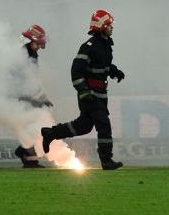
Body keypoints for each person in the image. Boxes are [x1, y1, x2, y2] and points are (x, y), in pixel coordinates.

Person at [41, 10, 126, 170]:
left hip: (99, 94)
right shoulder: (89, 46)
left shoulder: (105, 45)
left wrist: (114, 71)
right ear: (101, 26)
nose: (112, 28)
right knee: (104, 125)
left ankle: (51, 133)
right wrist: (84, 90)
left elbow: (101, 65)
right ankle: (106, 160)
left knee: (84, 126)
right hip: (90, 94)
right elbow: (76, 71)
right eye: (109, 25)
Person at [14, 24, 52, 168]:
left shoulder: (31, 53)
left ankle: (26, 154)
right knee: (30, 123)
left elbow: (33, 80)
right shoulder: (23, 55)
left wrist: (42, 98)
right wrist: (41, 98)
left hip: (25, 94)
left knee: (31, 124)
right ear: (31, 41)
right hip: (18, 95)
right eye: (38, 44)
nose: (39, 47)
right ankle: (27, 155)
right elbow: (26, 80)